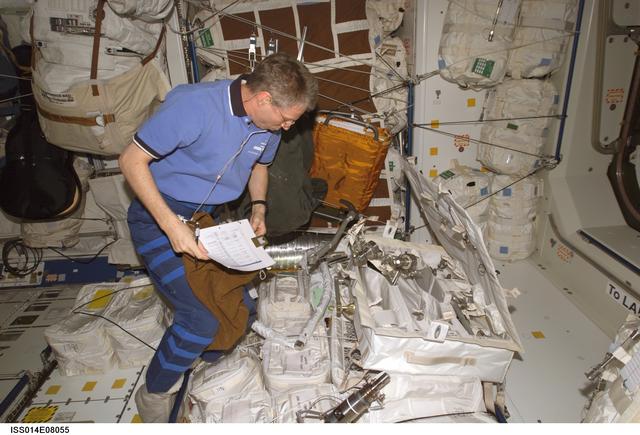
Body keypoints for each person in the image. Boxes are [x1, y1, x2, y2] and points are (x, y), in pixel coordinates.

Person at [119, 52, 318, 422]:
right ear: (263, 99)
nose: (289, 127)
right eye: (287, 118)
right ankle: (154, 393)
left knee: (239, 306)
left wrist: (259, 207)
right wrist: (171, 225)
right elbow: (131, 160)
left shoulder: (269, 127)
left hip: (204, 218)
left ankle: (199, 360)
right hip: (157, 216)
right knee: (201, 319)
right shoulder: (194, 106)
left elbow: (260, 166)